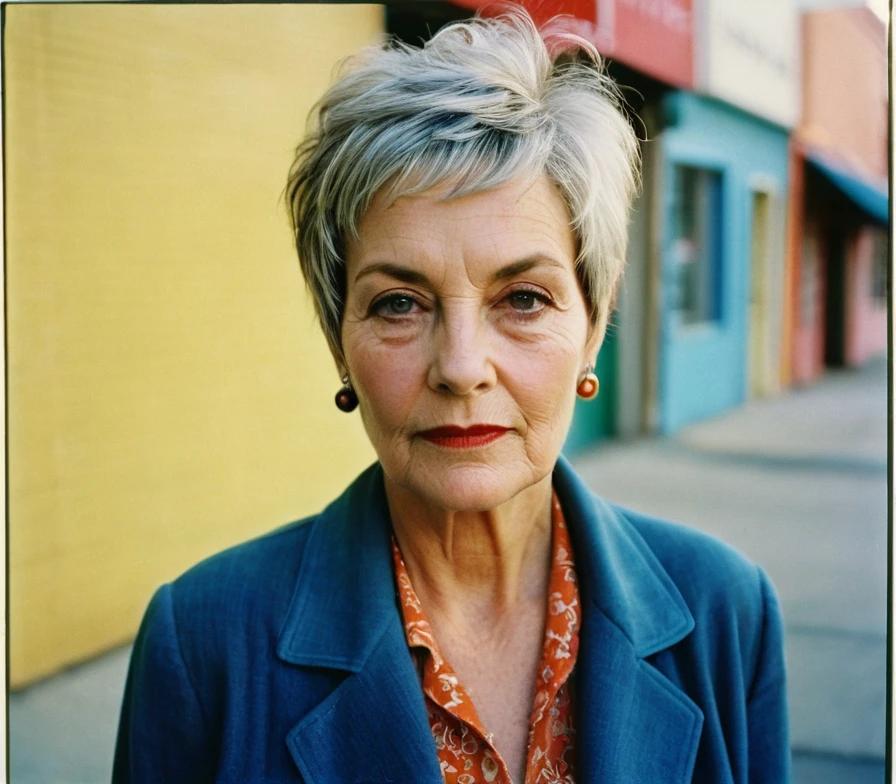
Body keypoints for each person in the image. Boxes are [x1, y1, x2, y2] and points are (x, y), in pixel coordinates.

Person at [113, 9, 789, 783]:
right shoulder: (202, 644)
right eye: (400, 303)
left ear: (595, 327)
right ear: (339, 340)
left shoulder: (728, 615)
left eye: (524, 299)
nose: (461, 367)